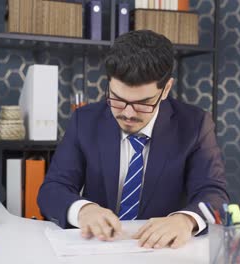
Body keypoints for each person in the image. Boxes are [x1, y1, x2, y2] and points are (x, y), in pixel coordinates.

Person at [37, 30, 228, 249]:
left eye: (142, 103)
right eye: (117, 99)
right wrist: (83, 210)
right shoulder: (85, 120)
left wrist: (185, 220)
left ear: (166, 89)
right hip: (98, 250)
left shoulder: (195, 124)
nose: (128, 113)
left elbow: (213, 193)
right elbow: (52, 189)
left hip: (162, 253)